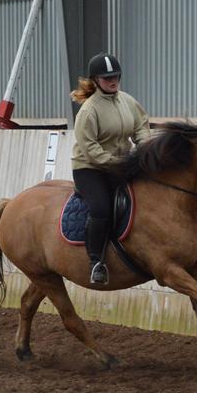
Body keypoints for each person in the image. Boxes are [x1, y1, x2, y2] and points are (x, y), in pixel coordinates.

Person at [70, 52, 153, 285]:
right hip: (90, 168)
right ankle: (96, 261)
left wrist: (144, 150)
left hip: (122, 164)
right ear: (95, 81)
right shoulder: (88, 111)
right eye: (107, 78)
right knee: (101, 208)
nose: (113, 81)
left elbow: (141, 127)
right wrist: (119, 163)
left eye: (116, 76)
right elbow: (90, 149)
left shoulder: (127, 100)